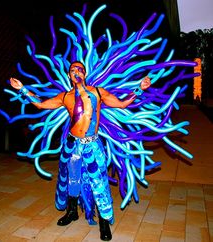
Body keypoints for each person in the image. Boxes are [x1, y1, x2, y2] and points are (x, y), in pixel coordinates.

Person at [10, 61, 151, 241]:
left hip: (92, 145)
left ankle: (103, 222)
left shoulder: (97, 93)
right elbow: (41, 104)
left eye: (80, 70)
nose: (77, 72)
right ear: (69, 75)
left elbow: (122, 104)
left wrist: (140, 88)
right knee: (72, 179)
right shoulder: (65, 97)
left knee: (99, 183)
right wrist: (22, 88)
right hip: (72, 145)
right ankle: (72, 212)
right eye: (73, 70)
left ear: (85, 74)